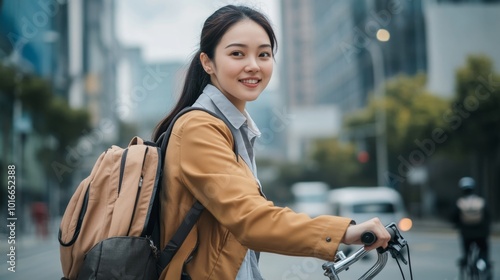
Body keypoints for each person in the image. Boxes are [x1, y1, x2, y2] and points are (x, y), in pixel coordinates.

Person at [152, 5, 391, 279]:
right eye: (237, 53)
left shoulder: (232, 128)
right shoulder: (199, 128)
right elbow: (252, 220)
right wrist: (343, 232)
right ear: (208, 62)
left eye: (263, 54)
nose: (253, 65)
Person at [452, 177, 491, 271]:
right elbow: (488, 216)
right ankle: (483, 263)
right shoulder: (480, 201)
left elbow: (453, 217)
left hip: (466, 233)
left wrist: (457, 225)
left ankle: (465, 260)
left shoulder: (460, 203)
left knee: (466, 250)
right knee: (483, 250)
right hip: (481, 232)